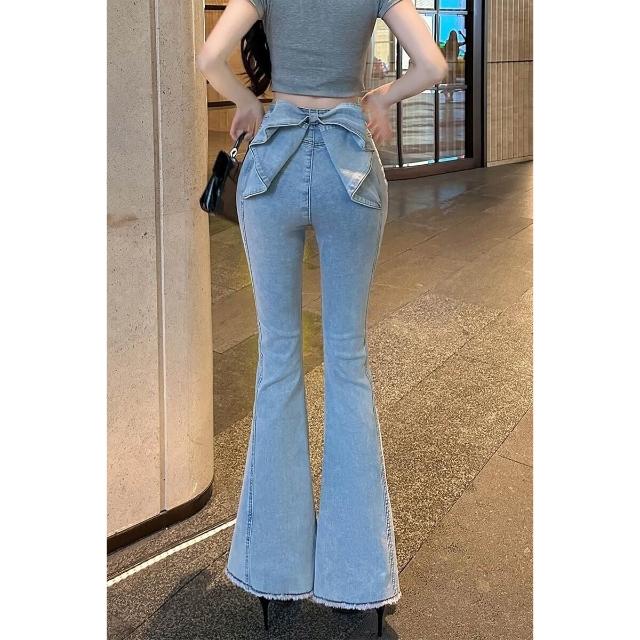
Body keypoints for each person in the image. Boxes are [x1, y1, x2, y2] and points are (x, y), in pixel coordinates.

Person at [196, 0, 447, 635]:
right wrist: (383, 97)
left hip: (272, 167)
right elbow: (433, 65)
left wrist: (245, 101)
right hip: (349, 166)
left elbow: (209, 57)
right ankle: (358, 580)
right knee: (348, 363)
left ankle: (273, 574)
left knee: (278, 360)